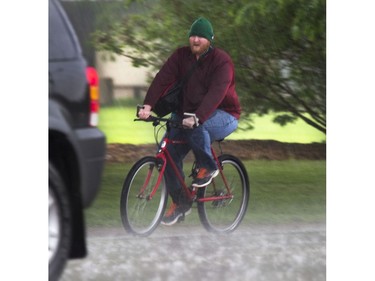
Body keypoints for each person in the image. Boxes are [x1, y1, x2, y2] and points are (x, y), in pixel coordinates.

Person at [138, 17, 241, 225]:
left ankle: (208, 166)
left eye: (201, 37)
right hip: (187, 115)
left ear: (209, 40)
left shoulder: (222, 61)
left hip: (224, 114)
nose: (195, 39)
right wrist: (148, 105)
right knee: (167, 154)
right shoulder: (180, 56)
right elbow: (162, 78)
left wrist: (198, 116)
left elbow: (216, 93)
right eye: (193, 35)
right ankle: (181, 202)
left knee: (197, 128)